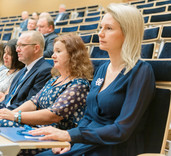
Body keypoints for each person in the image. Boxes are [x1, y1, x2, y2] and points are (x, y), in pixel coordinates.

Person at [30, 3, 156, 156]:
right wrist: (69, 141)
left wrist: (70, 135)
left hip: (113, 148)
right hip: (87, 141)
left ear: (127, 33)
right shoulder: (102, 69)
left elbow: (122, 130)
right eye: (101, 27)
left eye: (108, 28)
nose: (100, 34)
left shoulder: (141, 71)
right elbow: (88, 117)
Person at [0, 31, 52, 121]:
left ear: (36, 48)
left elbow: (30, 104)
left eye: (22, 45)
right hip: (4, 116)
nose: (17, 49)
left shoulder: (45, 71)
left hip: (18, 121)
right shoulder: (22, 72)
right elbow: (7, 100)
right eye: (17, 46)